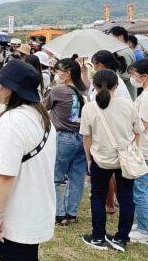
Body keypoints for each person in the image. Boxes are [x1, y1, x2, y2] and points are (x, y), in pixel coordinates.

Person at [0, 59, 57, 261]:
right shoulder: (39, 115)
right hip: (31, 204)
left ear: (10, 89)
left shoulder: (12, 122)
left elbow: (6, 174)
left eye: (0, 83)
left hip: (15, 211)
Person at [80, 69, 143, 252]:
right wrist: (133, 151)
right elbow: (137, 131)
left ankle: (98, 236)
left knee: (98, 197)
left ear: (94, 85)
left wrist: (89, 159)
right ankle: (122, 238)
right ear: (117, 85)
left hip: (100, 158)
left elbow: (86, 137)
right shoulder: (127, 104)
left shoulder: (89, 107)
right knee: (126, 198)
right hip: (124, 159)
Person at [44, 58, 88, 226]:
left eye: (58, 71)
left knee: (56, 177)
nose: (56, 73)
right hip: (82, 137)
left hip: (63, 137)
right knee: (76, 178)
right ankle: (72, 213)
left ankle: (59, 214)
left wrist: (49, 91)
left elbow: (44, 106)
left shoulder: (59, 91)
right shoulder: (84, 91)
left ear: (67, 73)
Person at [129, 59, 148, 244]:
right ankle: (144, 222)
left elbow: (143, 124)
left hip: (143, 149)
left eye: (135, 74)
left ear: (144, 76)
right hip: (144, 148)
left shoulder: (146, 97)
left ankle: (144, 229)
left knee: (140, 189)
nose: (132, 78)